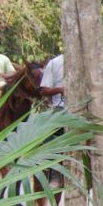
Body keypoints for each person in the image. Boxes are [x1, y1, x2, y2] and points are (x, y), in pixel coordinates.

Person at [39, 53, 65, 189]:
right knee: (50, 138)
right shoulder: (55, 63)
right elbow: (44, 90)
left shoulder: (89, 58)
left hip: (83, 107)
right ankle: (54, 173)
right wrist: (60, 89)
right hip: (60, 107)